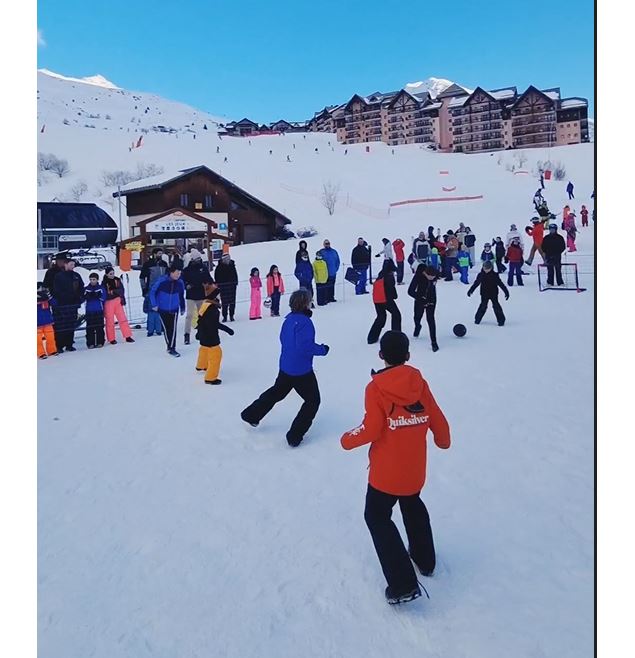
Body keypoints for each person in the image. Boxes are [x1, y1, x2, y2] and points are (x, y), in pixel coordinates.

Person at [340, 330, 451, 605]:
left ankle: (402, 584)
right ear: (408, 356)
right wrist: (441, 438)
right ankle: (425, 560)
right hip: (414, 470)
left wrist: (347, 439)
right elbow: (438, 418)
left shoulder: (376, 388)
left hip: (386, 474)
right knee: (412, 503)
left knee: (377, 517)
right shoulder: (419, 383)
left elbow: (372, 428)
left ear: (381, 356)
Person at [240, 289, 329, 447]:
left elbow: (284, 340)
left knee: (276, 392)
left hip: (286, 366)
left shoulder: (288, 320)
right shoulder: (305, 323)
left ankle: (251, 414)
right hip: (301, 371)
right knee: (313, 400)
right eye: (309, 300)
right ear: (304, 304)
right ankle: (295, 435)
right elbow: (305, 346)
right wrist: (322, 349)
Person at [195, 281, 235, 384]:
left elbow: (200, 320)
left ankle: (201, 365)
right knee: (216, 355)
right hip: (211, 337)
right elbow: (214, 324)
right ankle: (210, 377)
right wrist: (228, 330)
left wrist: (199, 333)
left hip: (203, 335)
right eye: (218, 294)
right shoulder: (213, 310)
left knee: (204, 349)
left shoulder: (205, 304)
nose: (220, 296)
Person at [150, 265, 186, 356]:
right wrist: (154, 304)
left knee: (173, 329)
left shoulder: (180, 283)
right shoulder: (162, 281)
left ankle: (172, 348)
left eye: (180, 273)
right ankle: (169, 346)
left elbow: (181, 295)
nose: (178, 275)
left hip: (174, 309)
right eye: (177, 273)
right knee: (166, 329)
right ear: (171, 272)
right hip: (162, 308)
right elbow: (152, 292)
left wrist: (182, 307)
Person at [52, 257, 84, 352]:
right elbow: (56, 290)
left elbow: (81, 288)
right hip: (62, 305)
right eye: (71, 264)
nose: (72, 266)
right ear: (65, 264)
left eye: (73, 265)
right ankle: (59, 345)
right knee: (61, 325)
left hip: (73, 305)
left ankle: (69, 344)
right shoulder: (59, 276)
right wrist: (63, 299)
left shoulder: (76, 276)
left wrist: (80, 298)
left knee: (71, 325)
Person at [181, 250, 213, 344]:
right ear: (193, 259)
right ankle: (186, 334)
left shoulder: (203, 267)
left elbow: (208, 278)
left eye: (200, 259)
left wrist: (210, 283)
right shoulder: (187, 269)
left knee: (202, 315)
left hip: (201, 294)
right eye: (197, 259)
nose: (199, 260)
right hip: (191, 295)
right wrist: (186, 285)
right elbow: (183, 280)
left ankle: (202, 332)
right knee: (189, 315)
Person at [368, 260, 401, 344]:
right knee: (396, 314)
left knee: (381, 317)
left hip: (377, 299)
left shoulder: (381, 274)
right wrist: (394, 296)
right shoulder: (389, 276)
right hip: (386, 299)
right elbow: (391, 291)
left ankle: (372, 337)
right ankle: (396, 336)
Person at [467, 261, 509, 326]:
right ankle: (477, 319)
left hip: (493, 293)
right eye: (485, 268)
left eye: (488, 269)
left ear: (491, 268)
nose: (486, 270)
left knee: (496, 306)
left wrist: (506, 292)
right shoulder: (481, 275)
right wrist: (471, 290)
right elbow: (476, 283)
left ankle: (501, 320)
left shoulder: (495, 275)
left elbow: (500, 284)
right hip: (484, 293)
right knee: (483, 306)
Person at [408, 265, 439, 351]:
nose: (432, 278)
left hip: (431, 300)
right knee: (417, 317)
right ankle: (418, 326)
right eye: (430, 277)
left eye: (434, 277)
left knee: (431, 319)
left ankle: (434, 341)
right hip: (419, 299)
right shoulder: (418, 276)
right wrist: (421, 299)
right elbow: (410, 291)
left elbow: (433, 288)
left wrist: (431, 301)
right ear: (425, 273)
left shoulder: (434, 276)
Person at [140, 248, 168, 337]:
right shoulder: (148, 264)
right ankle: (150, 329)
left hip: (162, 289)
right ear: (155, 254)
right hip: (151, 289)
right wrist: (144, 288)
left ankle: (160, 328)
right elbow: (142, 277)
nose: (160, 255)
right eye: (159, 253)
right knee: (151, 310)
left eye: (161, 253)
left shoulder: (164, 264)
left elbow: (167, 276)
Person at [102, 267, 134, 345]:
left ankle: (127, 336)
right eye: (110, 274)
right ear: (106, 274)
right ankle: (111, 338)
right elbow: (106, 293)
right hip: (108, 302)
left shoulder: (117, 280)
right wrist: (115, 292)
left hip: (118, 301)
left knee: (122, 319)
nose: (112, 275)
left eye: (113, 273)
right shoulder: (104, 283)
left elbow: (121, 290)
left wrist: (119, 296)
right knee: (110, 321)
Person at [84, 272, 106, 349]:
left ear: (97, 280)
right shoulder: (86, 288)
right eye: (91, 279)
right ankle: (90, 343)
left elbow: (104, 298)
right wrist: (87, 296)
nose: (92, 281)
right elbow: (83, 298)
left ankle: (100, 342)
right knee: (89, 328)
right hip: (89, 311)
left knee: (99, 327)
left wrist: (98, 296)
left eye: (94, 279)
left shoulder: (100, 288)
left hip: (98, 310)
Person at [214, 253, 239, 322]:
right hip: (223, 286)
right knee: (224, 302)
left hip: (232, 286)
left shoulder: (232, 266)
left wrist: (235, 283)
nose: (228, 260)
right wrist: (218, 284)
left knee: (232, 302)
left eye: (228, 258)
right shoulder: (219, 267)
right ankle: (224, 316)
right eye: (226, 259)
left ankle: (231, 315)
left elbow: (235, 274)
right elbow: (216, 276)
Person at [37, 282, 58, 359]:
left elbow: (55, 303)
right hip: (37, 323)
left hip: (48, 321)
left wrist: (49, 296)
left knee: (50, 337)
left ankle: (52, 350)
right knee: (38, 340)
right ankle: (41, 353)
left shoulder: (46, 297)